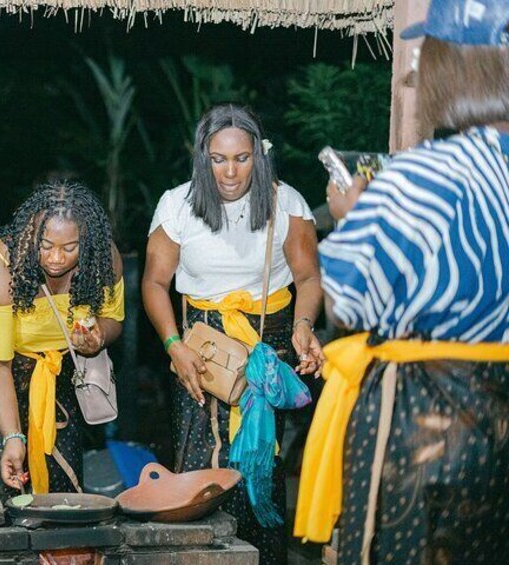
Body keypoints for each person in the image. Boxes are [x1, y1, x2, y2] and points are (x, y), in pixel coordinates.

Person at [295, 1, 509, 563]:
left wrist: (352, 213)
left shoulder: (424, 174)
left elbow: (348, 300)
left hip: (425, 428)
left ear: (453, 67)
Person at [142, 103, 324, 565]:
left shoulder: (288, 204)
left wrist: (304, 326)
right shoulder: (177, 205)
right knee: (198, 460)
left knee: (260, 459)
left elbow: (308, 279)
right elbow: (154, 283)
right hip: (199, 345)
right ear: (203, 156)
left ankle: (261, 557)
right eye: (218, 158)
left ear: (258, 157)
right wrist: (172, 345)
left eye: (241, 158)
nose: (229, 170)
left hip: (268, 342)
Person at [0, 181, 124, 498]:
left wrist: (98, 337)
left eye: (69, 247)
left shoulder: (104, 259)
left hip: (54, 370)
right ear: (30, 234)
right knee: (3, 486)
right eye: (45, 245)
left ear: (87, 241)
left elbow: (113, 319)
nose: (56, 258)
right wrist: (12, 437)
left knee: (62, 485)